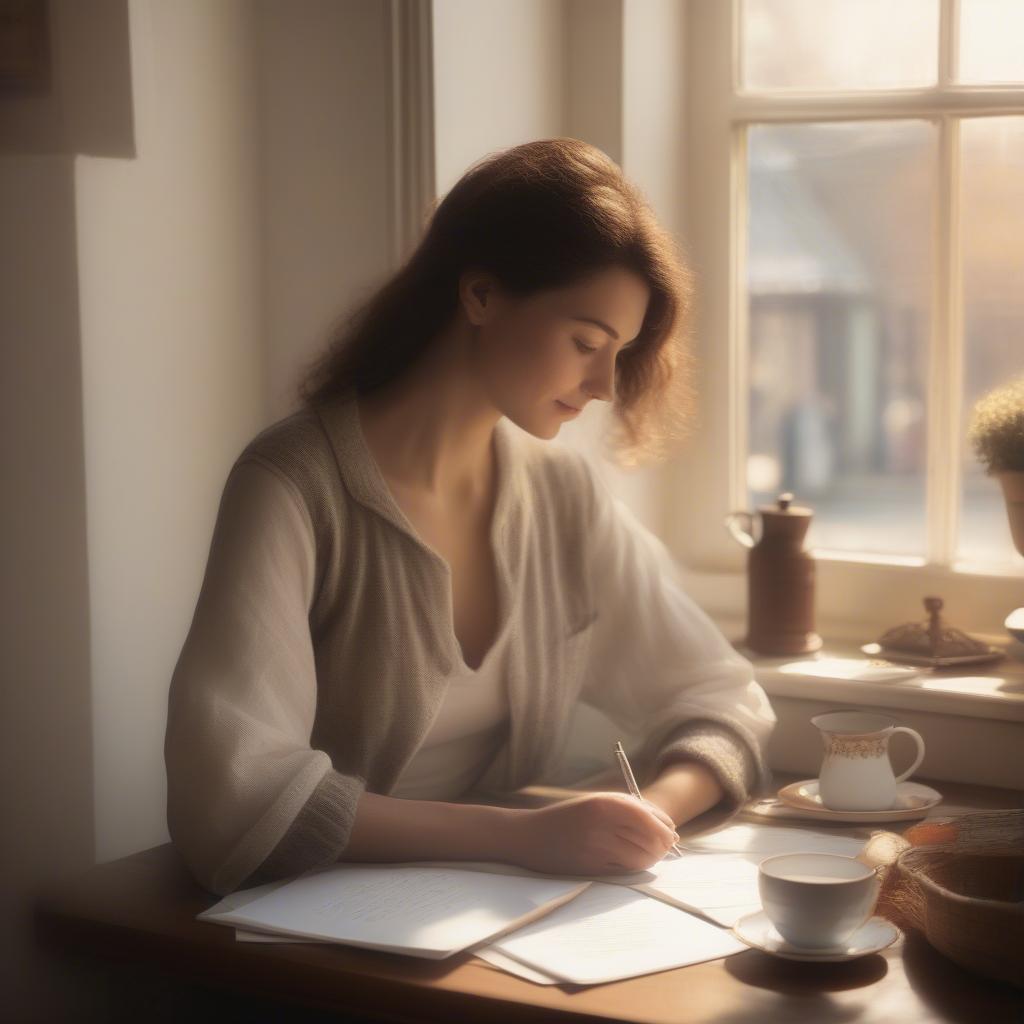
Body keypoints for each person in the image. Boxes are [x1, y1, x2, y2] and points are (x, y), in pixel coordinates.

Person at [164, 138, 777, 898]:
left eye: (617, 353)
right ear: (481, 294)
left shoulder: (560, 494)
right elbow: (238, 794)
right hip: (317, 931)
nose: (604, 386)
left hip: (496, 913)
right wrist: (523, 836)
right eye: (586, 342)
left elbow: (721, 696)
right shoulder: (292, 485)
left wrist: (646, 816)